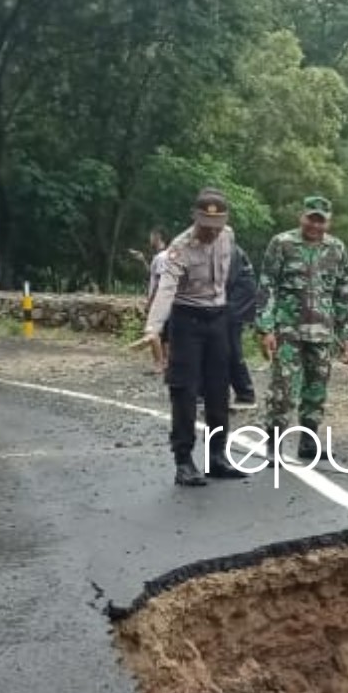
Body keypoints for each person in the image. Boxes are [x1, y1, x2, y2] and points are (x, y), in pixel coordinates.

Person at [143, 189, 251, 486]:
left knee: (218, 391)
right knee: (185, 391)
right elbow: (166, 290)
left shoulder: (228, 236)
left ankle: (217, 456)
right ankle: (184, 461)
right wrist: (153, 328)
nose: (211, 232)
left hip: (217, 318)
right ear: (195, 218)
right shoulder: (179, 247)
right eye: (205, 225)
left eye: (216, 226)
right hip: (187, 319)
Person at [257, 195, 348, 466]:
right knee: (283, 389)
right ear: (302, 217)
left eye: (320, 221)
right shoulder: (282, 244)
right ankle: (273, 444)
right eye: (311, 218)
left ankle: (308, 441)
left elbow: (344, 292)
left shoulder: (336, 249)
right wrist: (266, 328)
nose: (315, 225)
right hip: (288, 329)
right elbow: (267, 286)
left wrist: (347, 333)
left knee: (316, 388)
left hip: (322, 331)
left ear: (328, 222)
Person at [225, 237, 260, 408]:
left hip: (234, 307)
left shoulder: (230, 252)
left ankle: (245, 394)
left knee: (231, 349)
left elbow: (225, 282)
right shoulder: (230, 251)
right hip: (234, 305)